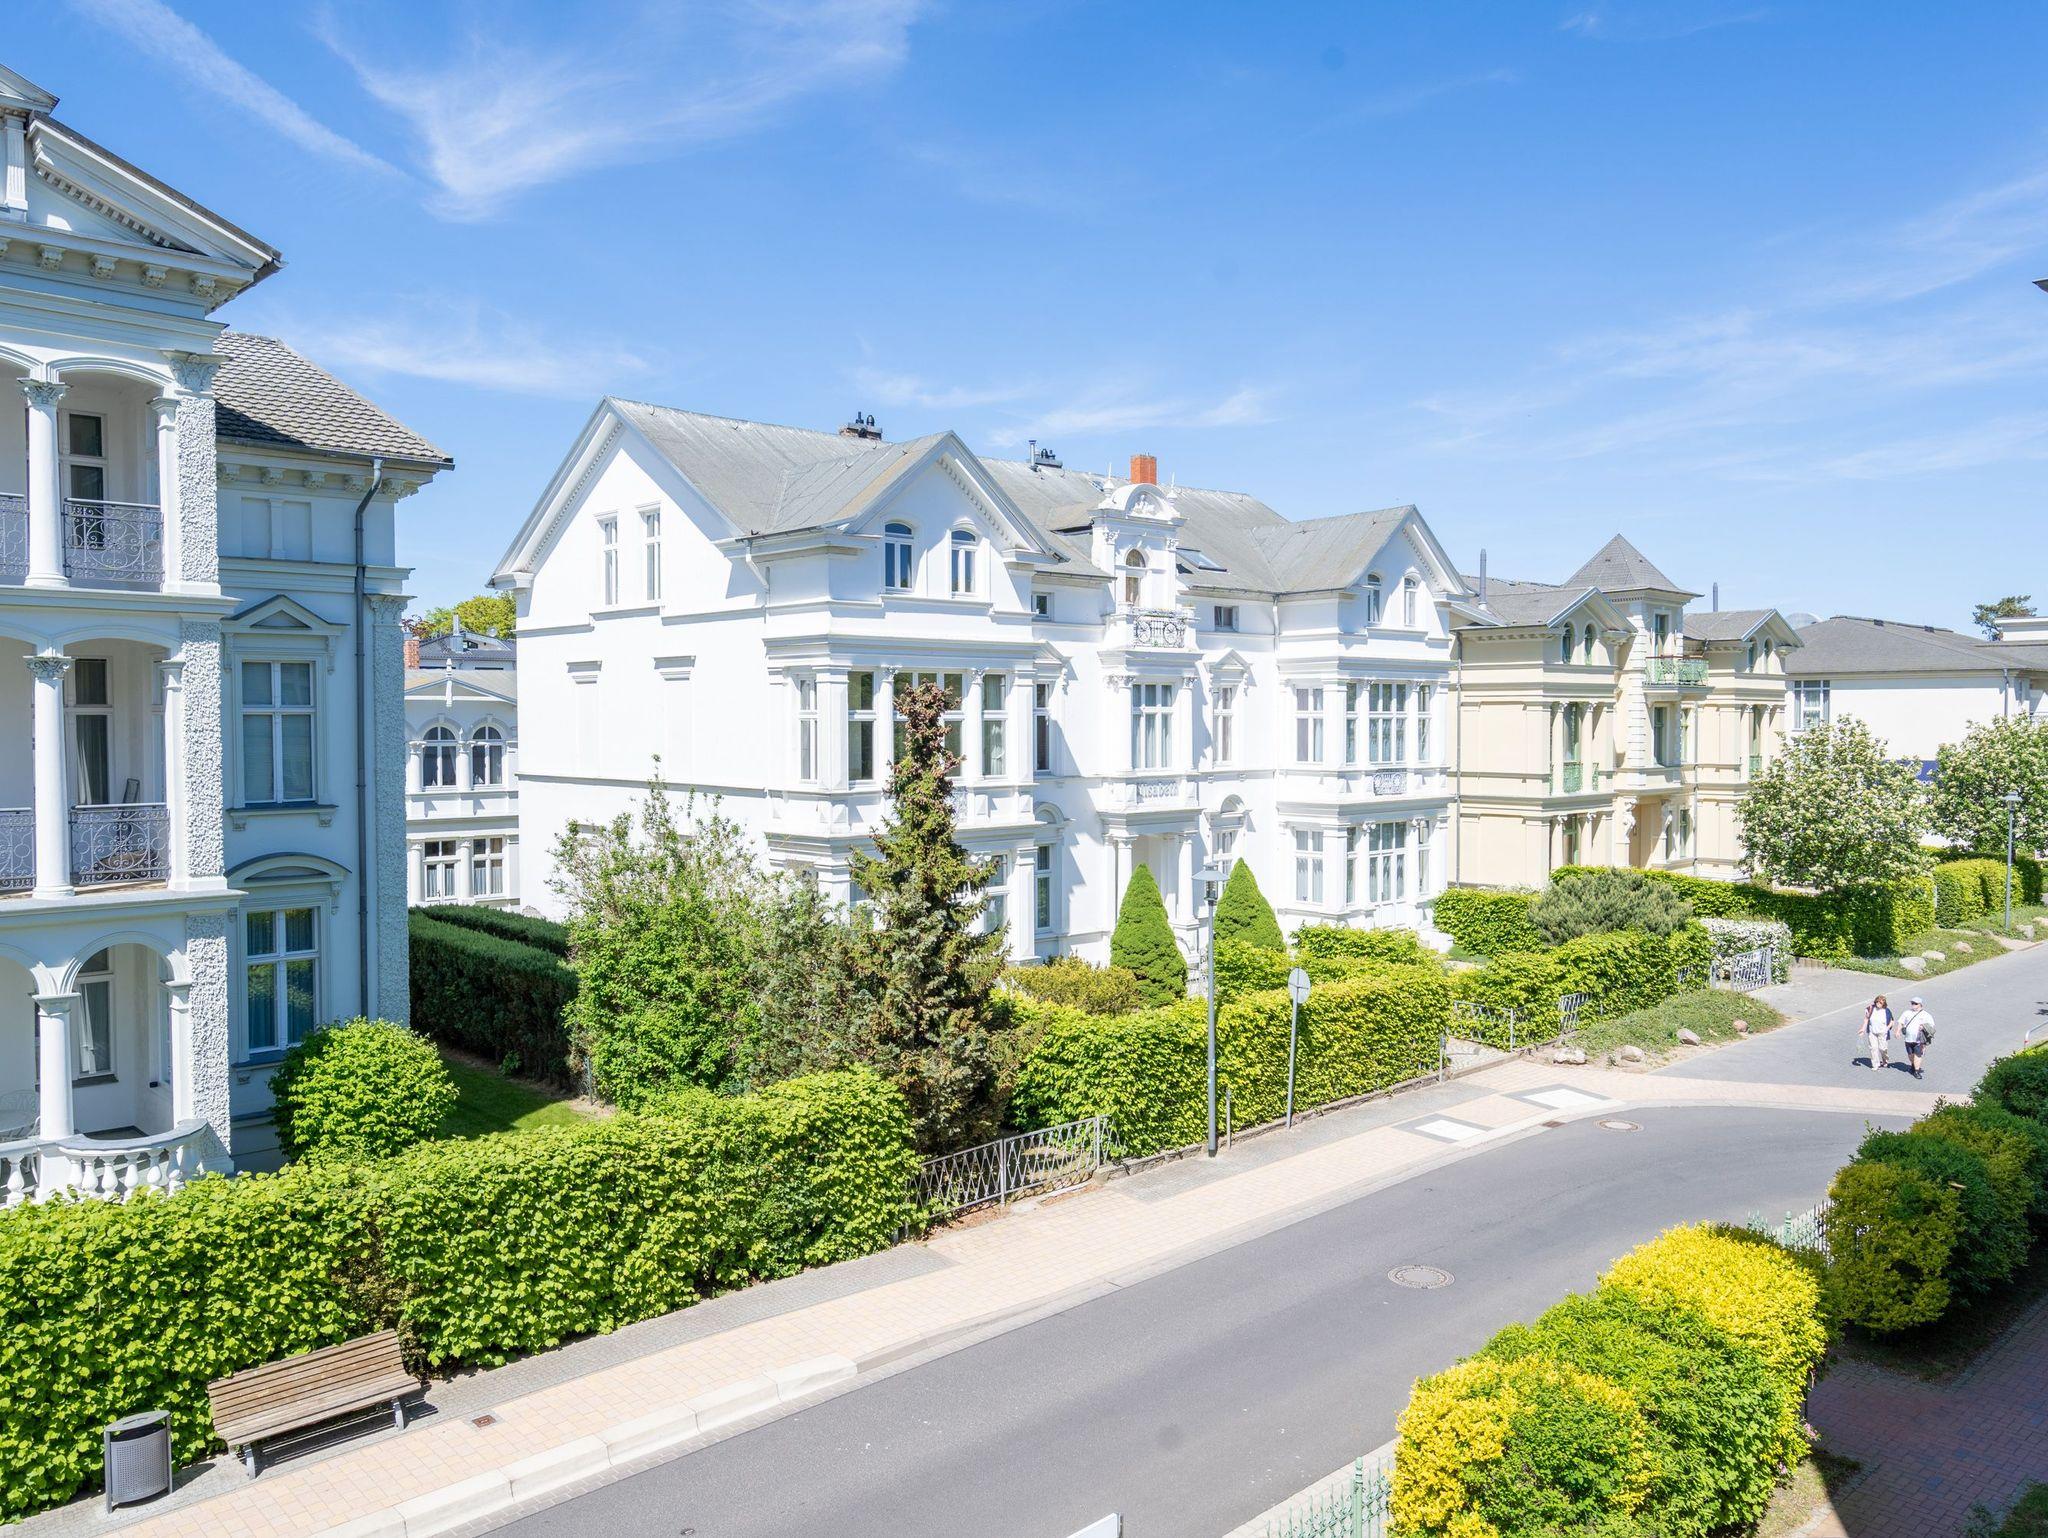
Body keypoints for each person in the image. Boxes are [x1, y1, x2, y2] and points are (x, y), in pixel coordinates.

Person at [1897, 996, 1935, 1080]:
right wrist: (1897, 1031)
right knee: (1910, 1055)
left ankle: (1916, 1071)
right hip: (1908, 1039)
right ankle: (1913, 1065)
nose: (1913, 1005)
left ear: (1920, 1004)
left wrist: (1924, 1027)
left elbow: (1932, 1025)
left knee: (1918, 1055)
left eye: (1915, 1003)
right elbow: (1901, 1022)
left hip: (1919, 1040)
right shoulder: (1907, 1012)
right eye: (1912, 1003)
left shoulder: (1926, 1015)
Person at [1862, 994, 1893, 1072]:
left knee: (1883, 1048)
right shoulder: (1870, 1009)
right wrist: (1863, 1029)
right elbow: (1866, 1019)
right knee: (1873, 1048)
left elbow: (1892, 1021)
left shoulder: (1886, 1011)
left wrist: (1887, 1028)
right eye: (1877, 1002)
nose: (1878, 1004)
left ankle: (1885, 1060)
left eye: (1880, 1003)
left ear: (1884, 1004)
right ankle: (1875, 1065)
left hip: (1882, 1033)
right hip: (1872, 1032)